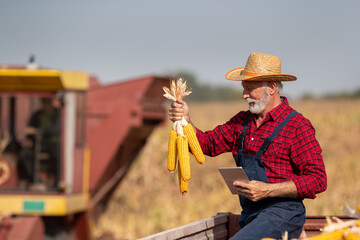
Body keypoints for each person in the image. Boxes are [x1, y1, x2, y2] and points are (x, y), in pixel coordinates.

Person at [169, 52, 327, 239]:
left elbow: (318, 180)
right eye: (244, 88)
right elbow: (207, 144)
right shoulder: (241, 122)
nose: (244, 95)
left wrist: (268, 189)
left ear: (271, 88)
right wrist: (186, 122)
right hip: (250, 216)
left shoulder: (297, 125)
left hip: (284, 214)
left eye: (250, 89)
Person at [17, 97, 60, 189]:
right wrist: (29, 140)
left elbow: (57, 129)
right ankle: (35, 181)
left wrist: (38, 131)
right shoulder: (37, 115)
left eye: (47, 101)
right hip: (40, 144)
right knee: (24, 154)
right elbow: (30, 130)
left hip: (54, 144)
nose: (45, 104)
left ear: (51, 101)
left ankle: (57, 183)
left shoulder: (58, 114)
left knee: (58, 156)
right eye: (43, 101)